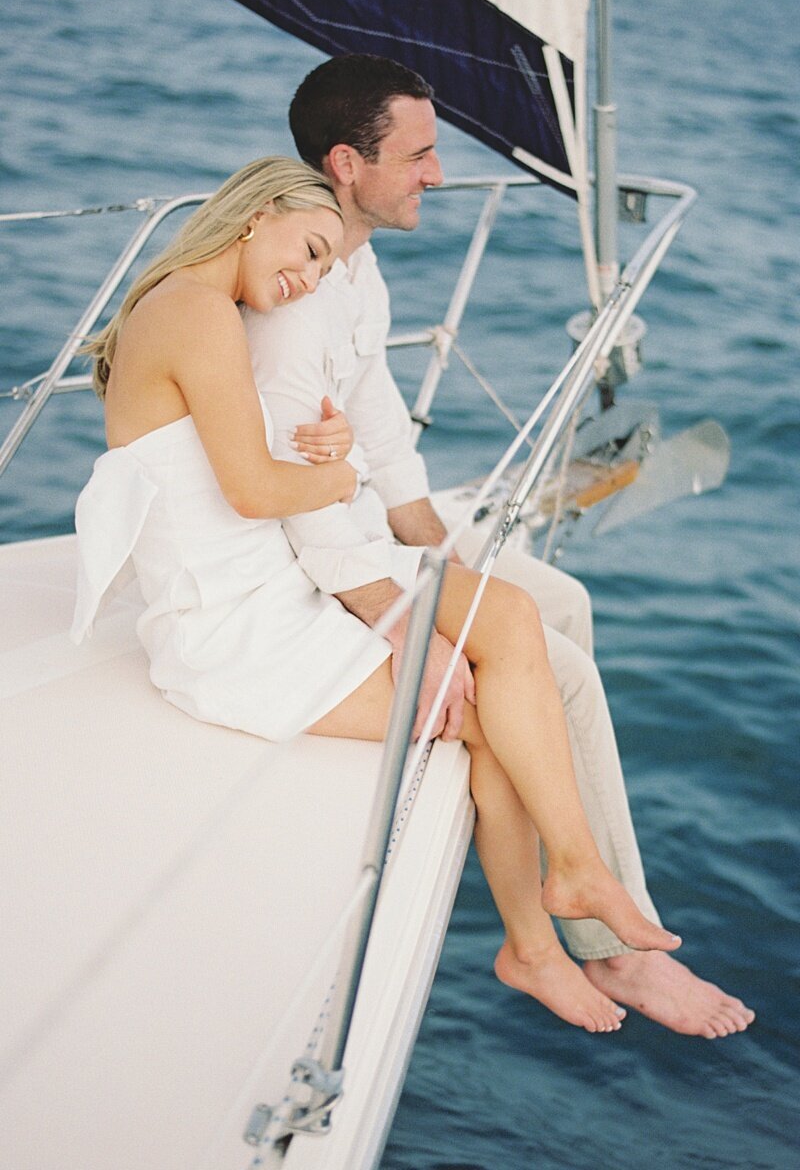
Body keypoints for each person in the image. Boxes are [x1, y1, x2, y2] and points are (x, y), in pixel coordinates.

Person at [71, 152, 683, 1037]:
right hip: (230, 632)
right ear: (258, 213)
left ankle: (573, 882)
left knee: (502, 619)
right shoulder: (199, 315)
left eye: (327, 266)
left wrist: (324, 455)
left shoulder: (194, 308)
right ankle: (541, 936)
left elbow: (247, 476)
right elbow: (253, 491)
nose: (309, 278)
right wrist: (336, 474)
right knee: (475, 713)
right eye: (311, 250)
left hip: (259, 589)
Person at [242, 56, 755, 1038]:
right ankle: (609, 945)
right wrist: (409, 622)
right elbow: (299, 511)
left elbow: (379, 421)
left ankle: (571, 844)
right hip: (302, 560)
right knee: (549, 665)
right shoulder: (295, 294)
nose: (438, 174)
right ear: (346, 164)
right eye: (420, 154)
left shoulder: (352, 264)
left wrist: (441, 546)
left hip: (356, 528)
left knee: (559, 601)